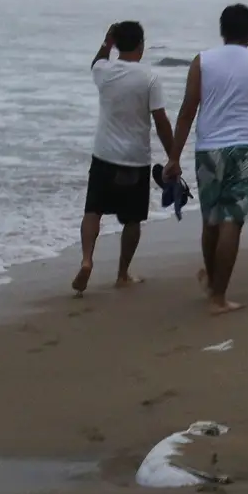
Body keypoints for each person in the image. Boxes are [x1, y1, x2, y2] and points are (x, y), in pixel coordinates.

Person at [167, 3, 248, 314]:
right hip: (246, 147)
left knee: (211, 219)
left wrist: (174, 156)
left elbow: (187, 110)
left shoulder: (202, 62)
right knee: (233, 220)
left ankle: (213, 286)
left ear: (222, 30)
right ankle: (219, 296)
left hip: (209, 148)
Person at [75, 21, 175, 293]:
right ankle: (122, 274)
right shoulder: (150, 78)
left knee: (93, 211)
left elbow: (97, 61)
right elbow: (161, 121)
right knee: (132, 219)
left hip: (104, 155)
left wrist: (107, 41)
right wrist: (173, 156)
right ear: (141, 45)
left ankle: (86, 261)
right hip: (135, 159)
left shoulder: (103, 72)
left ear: (116, 45)